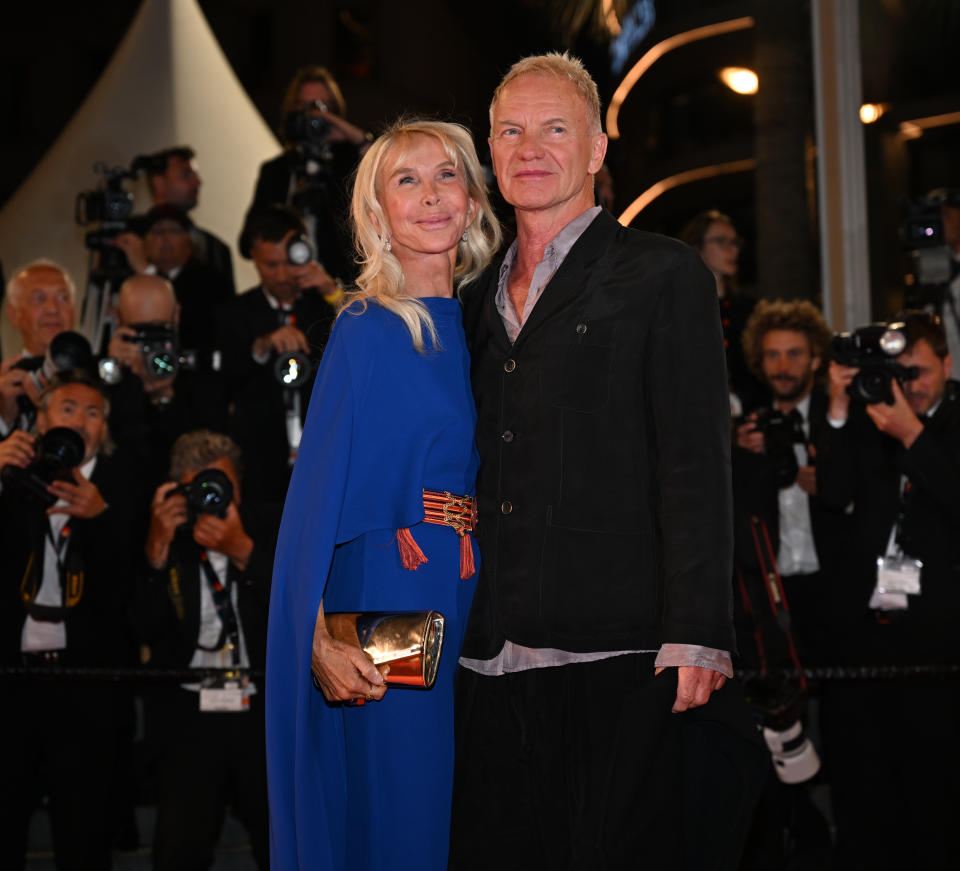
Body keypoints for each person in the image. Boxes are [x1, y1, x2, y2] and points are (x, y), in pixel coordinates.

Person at [451, 53, 765, 870]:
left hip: (619, 652)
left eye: (556, 128)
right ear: (490, 150)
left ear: (595, 150)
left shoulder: (663, 274)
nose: (531, 147)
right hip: (486, 650)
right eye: (511, 130)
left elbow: (696, 459)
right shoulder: (468, 296)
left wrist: (698, 631)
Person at [265, 119, 501, 870]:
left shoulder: (480, 326)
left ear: (471, 199)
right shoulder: (366, 325)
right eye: (407, 180)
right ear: (376, 215)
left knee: (454, 824)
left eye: (446, 176)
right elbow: (312, 499)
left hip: (468, 594)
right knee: (404, 826)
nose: (431, 196)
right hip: (393, 610)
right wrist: (315, 642)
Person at [816, 310, 960, 870]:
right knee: (866, 787)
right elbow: (832, 494)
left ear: (947, 365)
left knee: (935, 792)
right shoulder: (870, 412)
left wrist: (914, 437)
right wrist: (835, 403)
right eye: (898, 373)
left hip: (941, 643)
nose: (908, 387)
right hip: (866, 639)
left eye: (920, 372)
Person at [0, 371, 144, 870]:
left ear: (105, 428)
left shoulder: (123, 488)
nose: (80, 422)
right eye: (67, 409)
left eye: (93, 413)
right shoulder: (12, 477)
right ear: (39, 421)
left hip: (87, 684)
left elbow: (134, 600)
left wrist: (101, 519)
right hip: (11, 681)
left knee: (83, 835)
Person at [133, 430, 276, 870]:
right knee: (181, 847)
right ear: (181, 490)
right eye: (202, 486)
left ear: (240, 485)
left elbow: (296, 614)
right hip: (189, 714)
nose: (212, 496)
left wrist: (243, 551)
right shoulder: (167, 536)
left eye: (222, 484)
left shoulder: (268, 526)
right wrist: (155, 551)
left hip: (260, 711)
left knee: (275, 838)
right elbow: (138, 627)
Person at [217, 206, 339, 503]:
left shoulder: (323, 305)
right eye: (271, 265)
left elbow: (363, 347)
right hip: (259, 459)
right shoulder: (235, 312)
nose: (282, 275)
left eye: (289, 263)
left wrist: (332, 292)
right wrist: (262, 345)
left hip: (323, 454)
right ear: (254, 260)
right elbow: (224, 379)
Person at [241, 65, 373, 282]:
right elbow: (247, 243)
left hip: (344, 286)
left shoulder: (352, 164)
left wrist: (350, 135)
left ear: (336, 112)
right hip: (288, 286)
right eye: (304, 107)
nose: (314, 115)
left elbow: (385, 164)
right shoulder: (277, 171)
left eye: (322, 107)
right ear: (291, 113)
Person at [106, 274, 227, 489]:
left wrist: (166, 395)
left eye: (161, 329)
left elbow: (207, 452)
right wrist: (120, 375)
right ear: (118, 319)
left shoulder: (201, 370)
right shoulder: (107, 374)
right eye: (140, 332)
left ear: (177, 314)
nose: (152, 344)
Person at [110, 204, 234, 361]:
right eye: (157, 231)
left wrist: (148, 272)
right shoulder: (124, 280)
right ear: (144, 243)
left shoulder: (211, 281)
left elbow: (197, 328)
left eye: (175, 231)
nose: (165, 238)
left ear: (191, 242)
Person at [680, 209, 763, 411]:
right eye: (721, 241)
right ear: (697, 247)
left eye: (734, 242)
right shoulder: (679, 308)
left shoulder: (751, 310)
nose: (732, 250)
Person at [141, 145, 235, 291]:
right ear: (158, 183)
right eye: (186, 174)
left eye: (195, 175)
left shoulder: (216, 249)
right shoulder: (129, 239)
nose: (198, 182)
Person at [0, 260, 77, 436]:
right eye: (39, 298)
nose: (52, 309)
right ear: (14, 315)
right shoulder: (4, 384)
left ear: (75, 311)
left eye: (63, 298)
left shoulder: (100, 377)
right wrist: (3, 418)